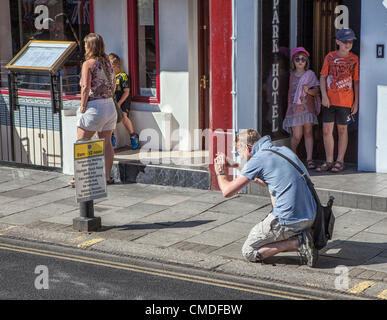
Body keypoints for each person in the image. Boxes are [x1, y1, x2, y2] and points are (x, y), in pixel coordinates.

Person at [214, 129, 318, 267]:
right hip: (311, 215)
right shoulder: (281, 150)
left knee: (249, 251)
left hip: (290, 220)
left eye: (239, 152)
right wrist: (234, 165)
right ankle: (301, 234)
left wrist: (220, 171)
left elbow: (227, 191)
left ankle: (298, 241)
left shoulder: (258, 159)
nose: (241, 156)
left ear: (247, 148)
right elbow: (264, 180)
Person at [69, 33, 117, 186]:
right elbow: (114, 82)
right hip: (110, 105)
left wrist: (83, 105)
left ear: (90, 46)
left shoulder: (88, 64)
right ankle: (107, 176)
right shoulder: (108, 62)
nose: (84, 47)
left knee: (82, 140)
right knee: (107, 142)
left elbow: (85, 87)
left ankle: (79, 178)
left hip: (95, 105)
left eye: (85, 44)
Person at [317, 28, 360, 173]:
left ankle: (340, 161)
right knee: (327, 130)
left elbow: (356, 81)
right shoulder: (330, 57)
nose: (348, 44)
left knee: (343, 130)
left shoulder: (354, 59)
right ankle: (329, 160)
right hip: (329, 100)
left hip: (345, 101)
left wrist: (356, 102)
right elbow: (323, 76)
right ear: (337, 42)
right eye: (345, 41)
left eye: (351, 42)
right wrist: (323, 95)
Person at [283, 47, 321, 170]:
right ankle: (292, 155)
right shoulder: (290, 75)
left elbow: (317, 90)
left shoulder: (310, 74)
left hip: (307, 108)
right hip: (295, 109)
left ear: (306, 61)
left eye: (303, 59)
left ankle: (309, 159)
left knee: (308, 132)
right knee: (297, 135)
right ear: (293, 61)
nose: (300, 61)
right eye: (297, 59)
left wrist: (308, 91)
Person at [108, 53, 139, 150]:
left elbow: (126, 92)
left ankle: (133, 135)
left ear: (115, 66)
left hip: (123, 99)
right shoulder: (109, 77)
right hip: (113, 100)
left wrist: (120, 103)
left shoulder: (123, 76)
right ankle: (111, 136)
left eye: (111, 66)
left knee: (124, 116)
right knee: (111, 118)